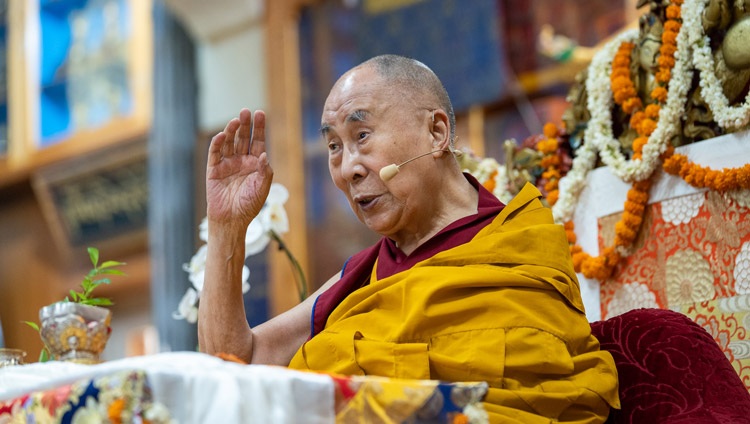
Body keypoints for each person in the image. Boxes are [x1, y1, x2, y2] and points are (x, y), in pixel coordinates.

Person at [198, 54, 620, 423]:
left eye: (361, 136)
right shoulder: (363, 277)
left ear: (436, 133)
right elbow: (236, 365)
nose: (348, 169)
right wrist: (226, 226)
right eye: (333, 147)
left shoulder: (517, 248)